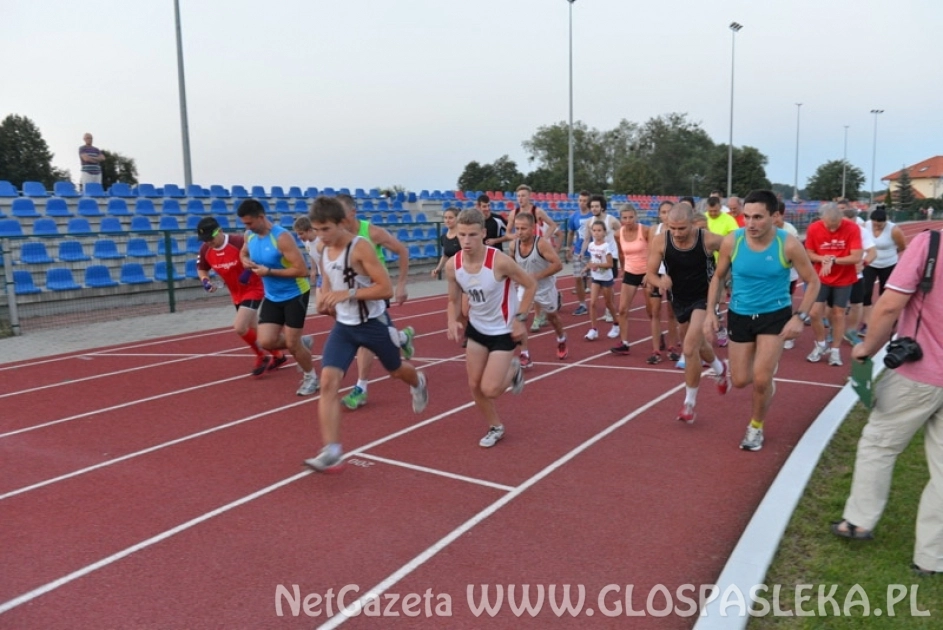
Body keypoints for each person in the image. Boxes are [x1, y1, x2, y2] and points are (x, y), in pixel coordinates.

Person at [832, 228, 943, 577]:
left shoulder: (930, 244)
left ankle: (859, 522)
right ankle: (931, 558)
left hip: (918, 371)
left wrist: (867, 349)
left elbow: (890, 304)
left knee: (879, 444)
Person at [303, 197, 428, 472]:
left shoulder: (362, 248)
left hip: (372, 324)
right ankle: (332, 449)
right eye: (317, 230)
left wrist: (347, 294)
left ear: (342, 223)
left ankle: (417, 380)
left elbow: (384, 289)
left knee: (396, 371)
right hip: (344, 328)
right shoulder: (323, 248)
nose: (320, 236)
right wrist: (322, 298)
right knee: (327, 383)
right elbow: (325, 280)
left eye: (326, 229)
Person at [705, 190, 820, 451]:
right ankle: (764, 381)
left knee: (760, 380)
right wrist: (711, 310)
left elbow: (813, 281)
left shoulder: (788, 244)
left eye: (758, 217)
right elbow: (719, 277)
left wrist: (800, 317)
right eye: (746, 217)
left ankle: (755, 427)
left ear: (774, 216)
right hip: (740, 314)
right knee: (741, 380)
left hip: (774, 316)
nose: (751, 223)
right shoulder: (732, 242)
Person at [445, 208, 536, 448]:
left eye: (472, 235)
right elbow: (453, 299)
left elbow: (530, 284)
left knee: (491, 389)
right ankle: (496, 426)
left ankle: (514, 369)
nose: (466, 240)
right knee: (474, 385)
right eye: (462, 234)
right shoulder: (453, 265)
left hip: (503, 331)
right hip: (477, 329)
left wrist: (520, 318)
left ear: (484, 233)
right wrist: (452, 320)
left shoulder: (499, 261)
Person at [646, 202, 730, 423]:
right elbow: (650, 274)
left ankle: (689, 404)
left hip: (704, 297)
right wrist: (660, 280)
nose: (676, 233)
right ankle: (720, 369)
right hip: (678, 298)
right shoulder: (661, 241)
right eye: (672, 228)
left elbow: (732, 250)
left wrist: (723, 280)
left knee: (690, 347)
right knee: (699, 345)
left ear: (693, 224)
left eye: (681, 228)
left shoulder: (708, 239)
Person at [336, 194, 415, 410]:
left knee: (365, 340)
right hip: (352, 297)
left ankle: (360, 388)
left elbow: (402, 251)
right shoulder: (335, 235)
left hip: (375, 293)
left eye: (340, 213)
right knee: (376, 336)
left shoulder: (372, 232)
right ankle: (402, 337)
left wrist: (401, 284)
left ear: (352, 212)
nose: (336, 218)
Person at [237, 199, 319, 396]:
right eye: (244, 224)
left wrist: (269, 272)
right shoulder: (250, 235)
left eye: (249, 223)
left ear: (261, 217)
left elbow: (301, 270)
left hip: (295, 293)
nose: (246, 227)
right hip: (273, 296)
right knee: (265, 341)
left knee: (291, 343)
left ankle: (311, 377)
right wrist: (245, 261)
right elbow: (243, 252)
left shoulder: (281, 238)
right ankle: (301, 343)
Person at [195, 217, 286, 376]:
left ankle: (260, 355)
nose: (208, 242)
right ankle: (278, 354)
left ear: (220, 231)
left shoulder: (238, 242)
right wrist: (205, 281)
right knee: (254, 328)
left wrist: (247, 271)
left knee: (240, 326)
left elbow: (257, 258)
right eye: (205, 240)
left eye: (210, 238)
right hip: (236, 293)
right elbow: (202, 268)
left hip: (254, 288)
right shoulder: (205, 250)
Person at [804, 203, 864, 366]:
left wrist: (833, 260)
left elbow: (856, 256)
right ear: (822, 219)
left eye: (835, 226)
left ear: (841, 219)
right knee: (815, 313)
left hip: (844, 278)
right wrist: (822, 259)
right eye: (828, 226)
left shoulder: (852, 228)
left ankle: (835, 351)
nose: (832, 230)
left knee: (838, 313)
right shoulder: (814, 228)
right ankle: (821, 344)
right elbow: (809, 253)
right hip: (820, 277)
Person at [509, 211, 568, 365]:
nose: (520, 232)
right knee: (519, 318)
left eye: (523, 228)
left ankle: (561, 338)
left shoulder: (541, 244)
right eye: (517, 228)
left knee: (552, 317)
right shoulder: (513, 245)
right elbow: (511, 265)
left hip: (544, 288)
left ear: (532, 228)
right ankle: (525, 354)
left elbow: (558, 265)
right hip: (525, 287)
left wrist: (538, 276)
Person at [610, 206, 651, 356]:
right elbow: (621, 253)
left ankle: (658, 336)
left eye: (630, 217)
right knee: (622, 309)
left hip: (646, 272)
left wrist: (651, 273)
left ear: (636, 217)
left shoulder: (645, 231)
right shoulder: (617, 234)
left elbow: (653, 252)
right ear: (620, 219)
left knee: (651, 310)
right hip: (630, 272)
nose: (627, 221)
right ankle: (624, 343)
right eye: (624, 218)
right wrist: (622, 269)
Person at [860, 206, 907, 335]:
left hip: (888, 264)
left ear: (885, 221)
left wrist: (889, 254)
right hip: (870, 263)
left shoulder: (894, 230)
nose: (877, 227)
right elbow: (862, 243)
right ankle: (866, 322)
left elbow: (902, 246)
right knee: (865, 292)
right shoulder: (865, 226)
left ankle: (888, 321)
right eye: (875, 224)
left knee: (885, 293)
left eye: (880, 225)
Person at [647, 200, 682, 365]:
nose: (666, 215)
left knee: (671, 314)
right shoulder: (655, 230)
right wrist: (649, 276)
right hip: (656, 275)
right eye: (663, 212)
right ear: (659, 214)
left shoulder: (679, 232)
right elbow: (649, 254)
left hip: (673, 277)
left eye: (669, 212)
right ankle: (655, 350)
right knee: (655, 313)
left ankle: (673, 347)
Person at [580, 194, 621, 329]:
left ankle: (610, 310)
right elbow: (587, 238)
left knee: (608, 285)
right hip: (596, 256)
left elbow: (622, 234)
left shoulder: (611, 220)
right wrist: (582, 252)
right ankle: (608, 309)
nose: (594, 208)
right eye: (592, 206)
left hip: (611, 255)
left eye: (596, 206)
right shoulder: (589, 222)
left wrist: (622, 251)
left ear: (602, 207)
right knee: (598, 283)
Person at [839, 202, 877, 346]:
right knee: (834, 307)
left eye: (852, 224)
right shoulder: (832, 231)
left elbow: (873, 252)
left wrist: (864, 264)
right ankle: (834, 330)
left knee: (857, 305)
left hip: (855, 276)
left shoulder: (861, 232)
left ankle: (851, 331)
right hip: (834, 275)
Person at [705, 196, 740, 348]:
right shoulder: (703, 218)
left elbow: (735, 240)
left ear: (720, 207)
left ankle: (720, 330)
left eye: (715, 211)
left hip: (722, 264)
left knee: (716, 300)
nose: (712, 213)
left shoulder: (728, 220)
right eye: (710, 211)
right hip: (703, 264)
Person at [771, 201, 801, 349]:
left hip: (789, 275)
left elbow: (794, 255)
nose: (773, 219)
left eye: (776, 216)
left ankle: (788, 334)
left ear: (782, 215)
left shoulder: (790, 231)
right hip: (769, 275)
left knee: (785, 303)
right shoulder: (766, 229)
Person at [583, 220, 619, 341]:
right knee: (592, 303)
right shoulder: (591, 246)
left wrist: (596, 265)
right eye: (594, 230)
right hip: (595, 278)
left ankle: (616, 324)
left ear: (604, 232)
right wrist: (587, 267)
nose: (596, 233)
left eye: (599, 230)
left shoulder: (606, 246)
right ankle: (593, 329)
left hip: (606, 278)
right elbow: (593, 260)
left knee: (608, 303)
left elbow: (609, 264)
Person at [564, 190, 594, 316]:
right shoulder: (573, 217)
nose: (582, 203)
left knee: (597, 280)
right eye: (580, 200)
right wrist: (568, 248)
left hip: (593, 252)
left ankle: (597, 303)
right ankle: (582, 305)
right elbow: (571, 233)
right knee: (578, 279)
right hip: (578, 251)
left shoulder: (594, 215)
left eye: (585, 201)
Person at [431, 207, 460, 278]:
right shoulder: (443, 237)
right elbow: (445, 255)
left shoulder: (462, 235)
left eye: (450, 218)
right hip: (452, 273)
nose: (447, 220)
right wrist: (438, 269)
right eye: (445, 218)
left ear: (457, 219)